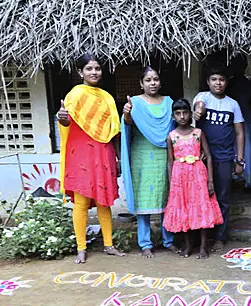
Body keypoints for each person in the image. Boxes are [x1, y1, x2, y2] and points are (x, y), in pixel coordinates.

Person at [56, 54, 126, 264]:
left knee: (104, 200)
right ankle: (81, 247)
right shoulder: (74, 96)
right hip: (80, 153)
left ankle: (108, 244)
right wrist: (63, 119)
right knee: (81, 201)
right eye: (89, 69)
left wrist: (118, 159)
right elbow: (66, 122)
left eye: (97, 68)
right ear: (80, 72)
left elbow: (114, 130)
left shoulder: (107, 97)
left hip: (103, 151)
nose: (94, 72)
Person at [120, 66, 177, 257]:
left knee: (165, 197)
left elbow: (176, 127)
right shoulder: (134, 103)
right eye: (148, 80)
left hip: (164, 155)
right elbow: (127, 124)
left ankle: (168, 240)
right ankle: (145, 243)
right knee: (144, 200)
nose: (153, 83)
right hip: (142, 156)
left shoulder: (169, 102)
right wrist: (127, 114)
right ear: (141, 83)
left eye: (156, 79)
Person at [163, 99, 225, 258]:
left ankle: (204, 247)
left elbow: (209, 157)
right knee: (184, 210)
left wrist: (210, 180)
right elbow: (170, 162)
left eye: (185, 113)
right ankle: (188, 245)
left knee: (201, 209)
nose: (182, 116)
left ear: (191, 114)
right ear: (173, 116)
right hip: (180, 178)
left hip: (198, 176)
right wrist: (172, 185)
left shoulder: (198, 133)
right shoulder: (171, 136)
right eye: (178, 113)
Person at [193, 66, 245, 251]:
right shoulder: (202, 97)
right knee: (201, 197)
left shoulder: (233, 104)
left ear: (226, 82)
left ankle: (220, 237)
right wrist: (198, 111)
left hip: (224, 157)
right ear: (208, 82)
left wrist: (240, 160)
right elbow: (198, 107)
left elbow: (239, 133)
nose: (218, 83)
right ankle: (200, 237)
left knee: (222, 197)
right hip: (201, 157)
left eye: (221, 80)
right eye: (214, 79)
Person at [228, 56, 251, 190]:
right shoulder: (228, 83)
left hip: (248, 118)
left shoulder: (250, 83)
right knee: (234, 147)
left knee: (249, 146)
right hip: (233, 118)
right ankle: (236, 179)